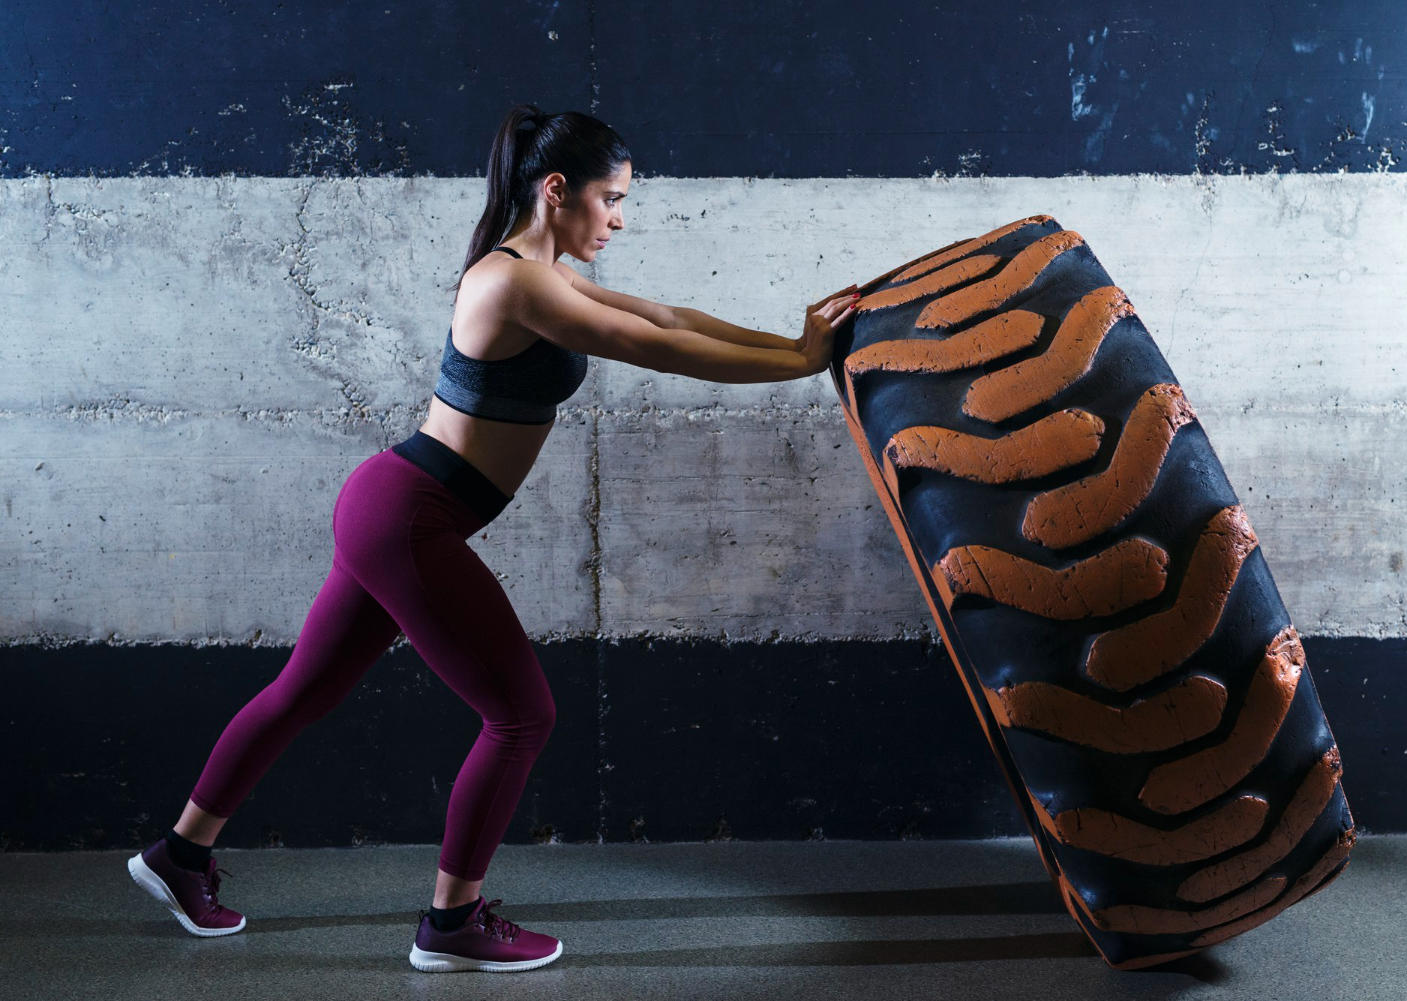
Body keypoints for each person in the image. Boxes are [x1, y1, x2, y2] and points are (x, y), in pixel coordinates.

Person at [125, 103, 860, 974]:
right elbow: (656, 351)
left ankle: (180, 855)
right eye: (612, 199)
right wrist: (799, 362)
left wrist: (794, 346)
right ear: (557, 190)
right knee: (520, 715)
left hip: (394, 507)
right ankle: (451, 922)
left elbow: (669, 318)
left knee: (303, 692)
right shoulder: (512, 282)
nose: (620, 220)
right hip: (411, 516)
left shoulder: (545, 274)